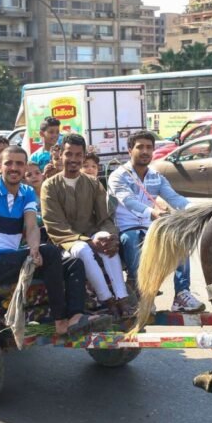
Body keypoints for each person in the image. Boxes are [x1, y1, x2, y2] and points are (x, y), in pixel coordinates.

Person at [0, 141, 99, 378]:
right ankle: (60, 320)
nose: (14, 168)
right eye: (8, 163)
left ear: (24, 169)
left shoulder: (27, 192)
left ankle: (74, 316)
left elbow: (31, 225)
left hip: (14, 261)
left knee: (73, 261)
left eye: (19, 164)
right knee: (51, 252)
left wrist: (34, 249)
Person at [108, 130, 205, 314]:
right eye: (140, 147)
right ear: (130, 150)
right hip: (126, 229)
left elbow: (175, 198)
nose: (145, 151)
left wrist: (197, 210)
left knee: (179, 237)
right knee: (133, 239)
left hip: (151, 227)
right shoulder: (118, 176)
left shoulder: (156, 177)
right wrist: (153, 213)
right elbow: (128, 201)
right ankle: (144, 295)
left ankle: (181, 294)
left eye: (149, 147)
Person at [41, 133, 134, 318]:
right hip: (65, 243)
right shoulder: (49, 186)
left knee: (107, 242)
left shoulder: (93, 183)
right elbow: (55, 225)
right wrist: (89, 242)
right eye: (69, 154)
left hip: (91, 237)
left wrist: (111, 236)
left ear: (83, 156)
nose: (73, 159)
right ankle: (107, 300)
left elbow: (105, 218)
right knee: (83, 249)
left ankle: (122, 299)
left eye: (78, 155)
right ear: (61, 155)